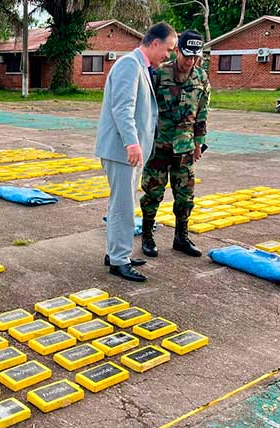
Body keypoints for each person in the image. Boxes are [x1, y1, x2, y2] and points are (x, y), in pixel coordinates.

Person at [94, 22, 177, 282]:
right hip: (122, 151)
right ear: (155, 43)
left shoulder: (140, 66)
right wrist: (132, 143)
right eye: (168, 49)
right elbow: (122, 108)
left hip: (127, 151)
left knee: (121, 204)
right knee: (123, 207)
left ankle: (116, 253)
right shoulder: (129, 65)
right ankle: (119, 260)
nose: (168, 55)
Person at [141, 30, 210, 258]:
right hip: (159, 146)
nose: (190, 61)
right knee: (152, 194)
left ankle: (181, 237)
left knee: (185, 197)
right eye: (187, 56)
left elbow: (202, 112)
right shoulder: (159, 73)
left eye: (195, 57)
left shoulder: (201, 77)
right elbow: (145, 107)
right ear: (177, 51)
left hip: (185, 148)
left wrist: (199, 142)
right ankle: (147, 236)